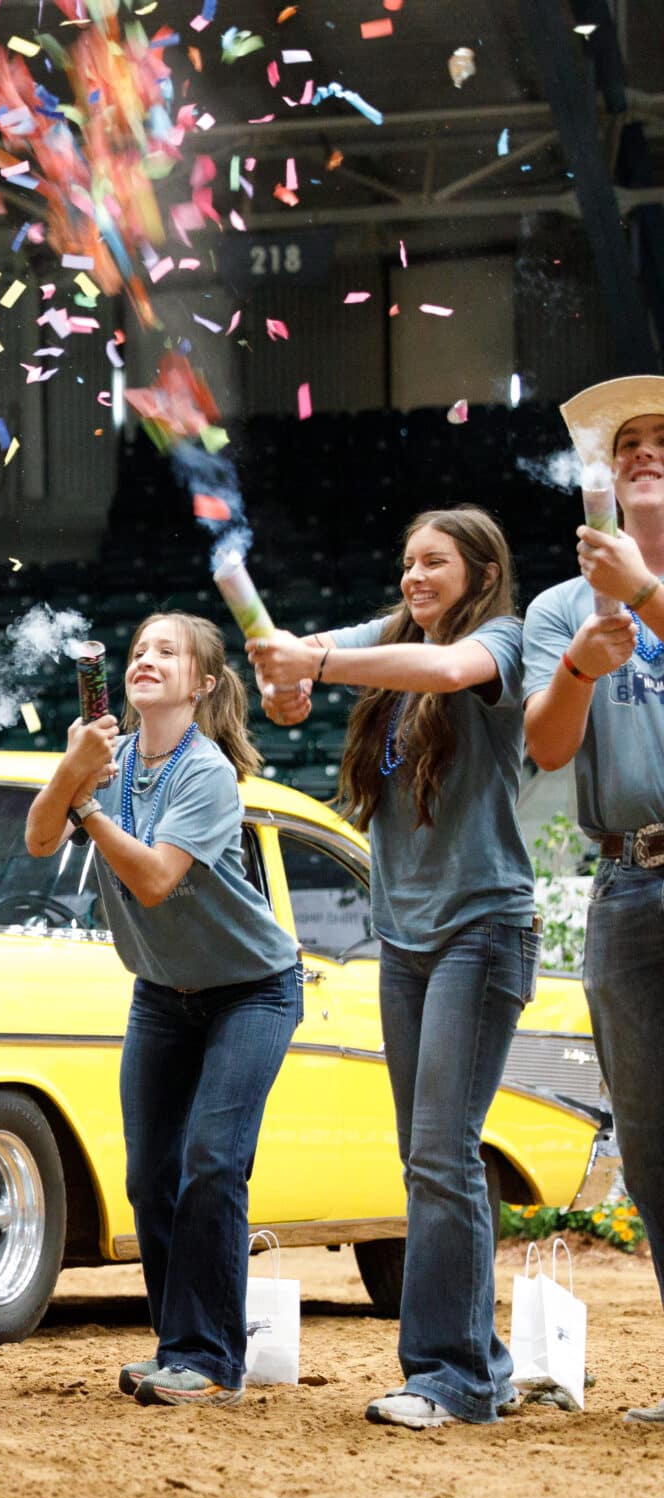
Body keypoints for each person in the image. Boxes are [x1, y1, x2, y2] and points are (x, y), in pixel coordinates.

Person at [249, 508, 535, 1429]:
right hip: (407, 940)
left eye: (435, 563)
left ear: (482, 572)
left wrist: (315, 665)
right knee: (426, 1157)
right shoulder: (394, 636)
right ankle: (474, 1368)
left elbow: (442, 670)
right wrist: (286, 674)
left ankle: (449, 1374)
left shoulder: (499, 640)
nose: (415, 577)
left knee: (443, 1152)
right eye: (407, 562)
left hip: (483, 928)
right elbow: (316, 649)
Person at [22, 613, 301, 1407]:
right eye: (138, 648)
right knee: (150, 1178)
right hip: (163, 992)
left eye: (166, 652)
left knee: (213, 1160)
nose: (146, 659)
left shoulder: (204, 771)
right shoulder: (102, 757)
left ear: (202, 683)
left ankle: (213, 1359)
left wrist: (89, 805)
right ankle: (180, 1347)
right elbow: (41, 839)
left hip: (252, 988)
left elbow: (152, 879)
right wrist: (72, 771)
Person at [519, 377, 664, 1424]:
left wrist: (647, 594)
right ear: (603, 477)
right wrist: (580, 656)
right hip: (622, 878)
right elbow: (545, 743)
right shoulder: (559, 604)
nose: (645, 454)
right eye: (629, 446)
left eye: (663, 441)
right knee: (651, 1136)